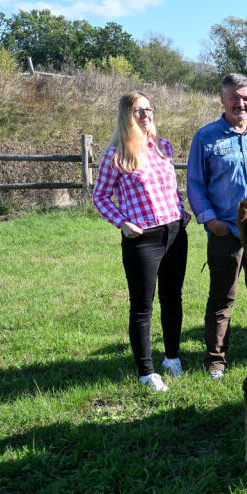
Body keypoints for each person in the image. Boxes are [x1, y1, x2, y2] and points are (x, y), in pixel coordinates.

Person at [187, 73, 247, 379]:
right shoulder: (206, 138)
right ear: (222, 99)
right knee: (222, 297)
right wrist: (211, 221)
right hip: (226, 233)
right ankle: (216, 361)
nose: (239, 103)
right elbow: (195, 184)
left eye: (245, 98)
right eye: (234, 97)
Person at [92, 91, 190, 392]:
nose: (146, 115)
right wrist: (122, 222)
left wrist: (180, 211)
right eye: (138, 110)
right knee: (142, 307)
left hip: (174, 233)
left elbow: (169, 188)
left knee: (172, 299)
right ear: (126, 115)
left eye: (149, 109)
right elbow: (99, 196)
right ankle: (146, 372)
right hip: (142, 239)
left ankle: (172, 358)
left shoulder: (164, 147)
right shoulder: (116, 155)